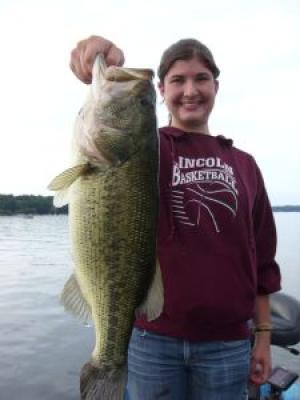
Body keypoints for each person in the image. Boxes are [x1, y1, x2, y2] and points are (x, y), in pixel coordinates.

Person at [70, 35, 281, 400]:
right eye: (178, 80)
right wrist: (105, 54)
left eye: (201, 78)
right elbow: (118, 126)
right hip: (153, 340)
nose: (190, 90)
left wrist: (262, 336)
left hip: (228, 342)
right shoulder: (151, 149)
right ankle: (107, 363)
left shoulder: (245, 165)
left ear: (216, 86)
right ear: (161, 90)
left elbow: (263, 260)